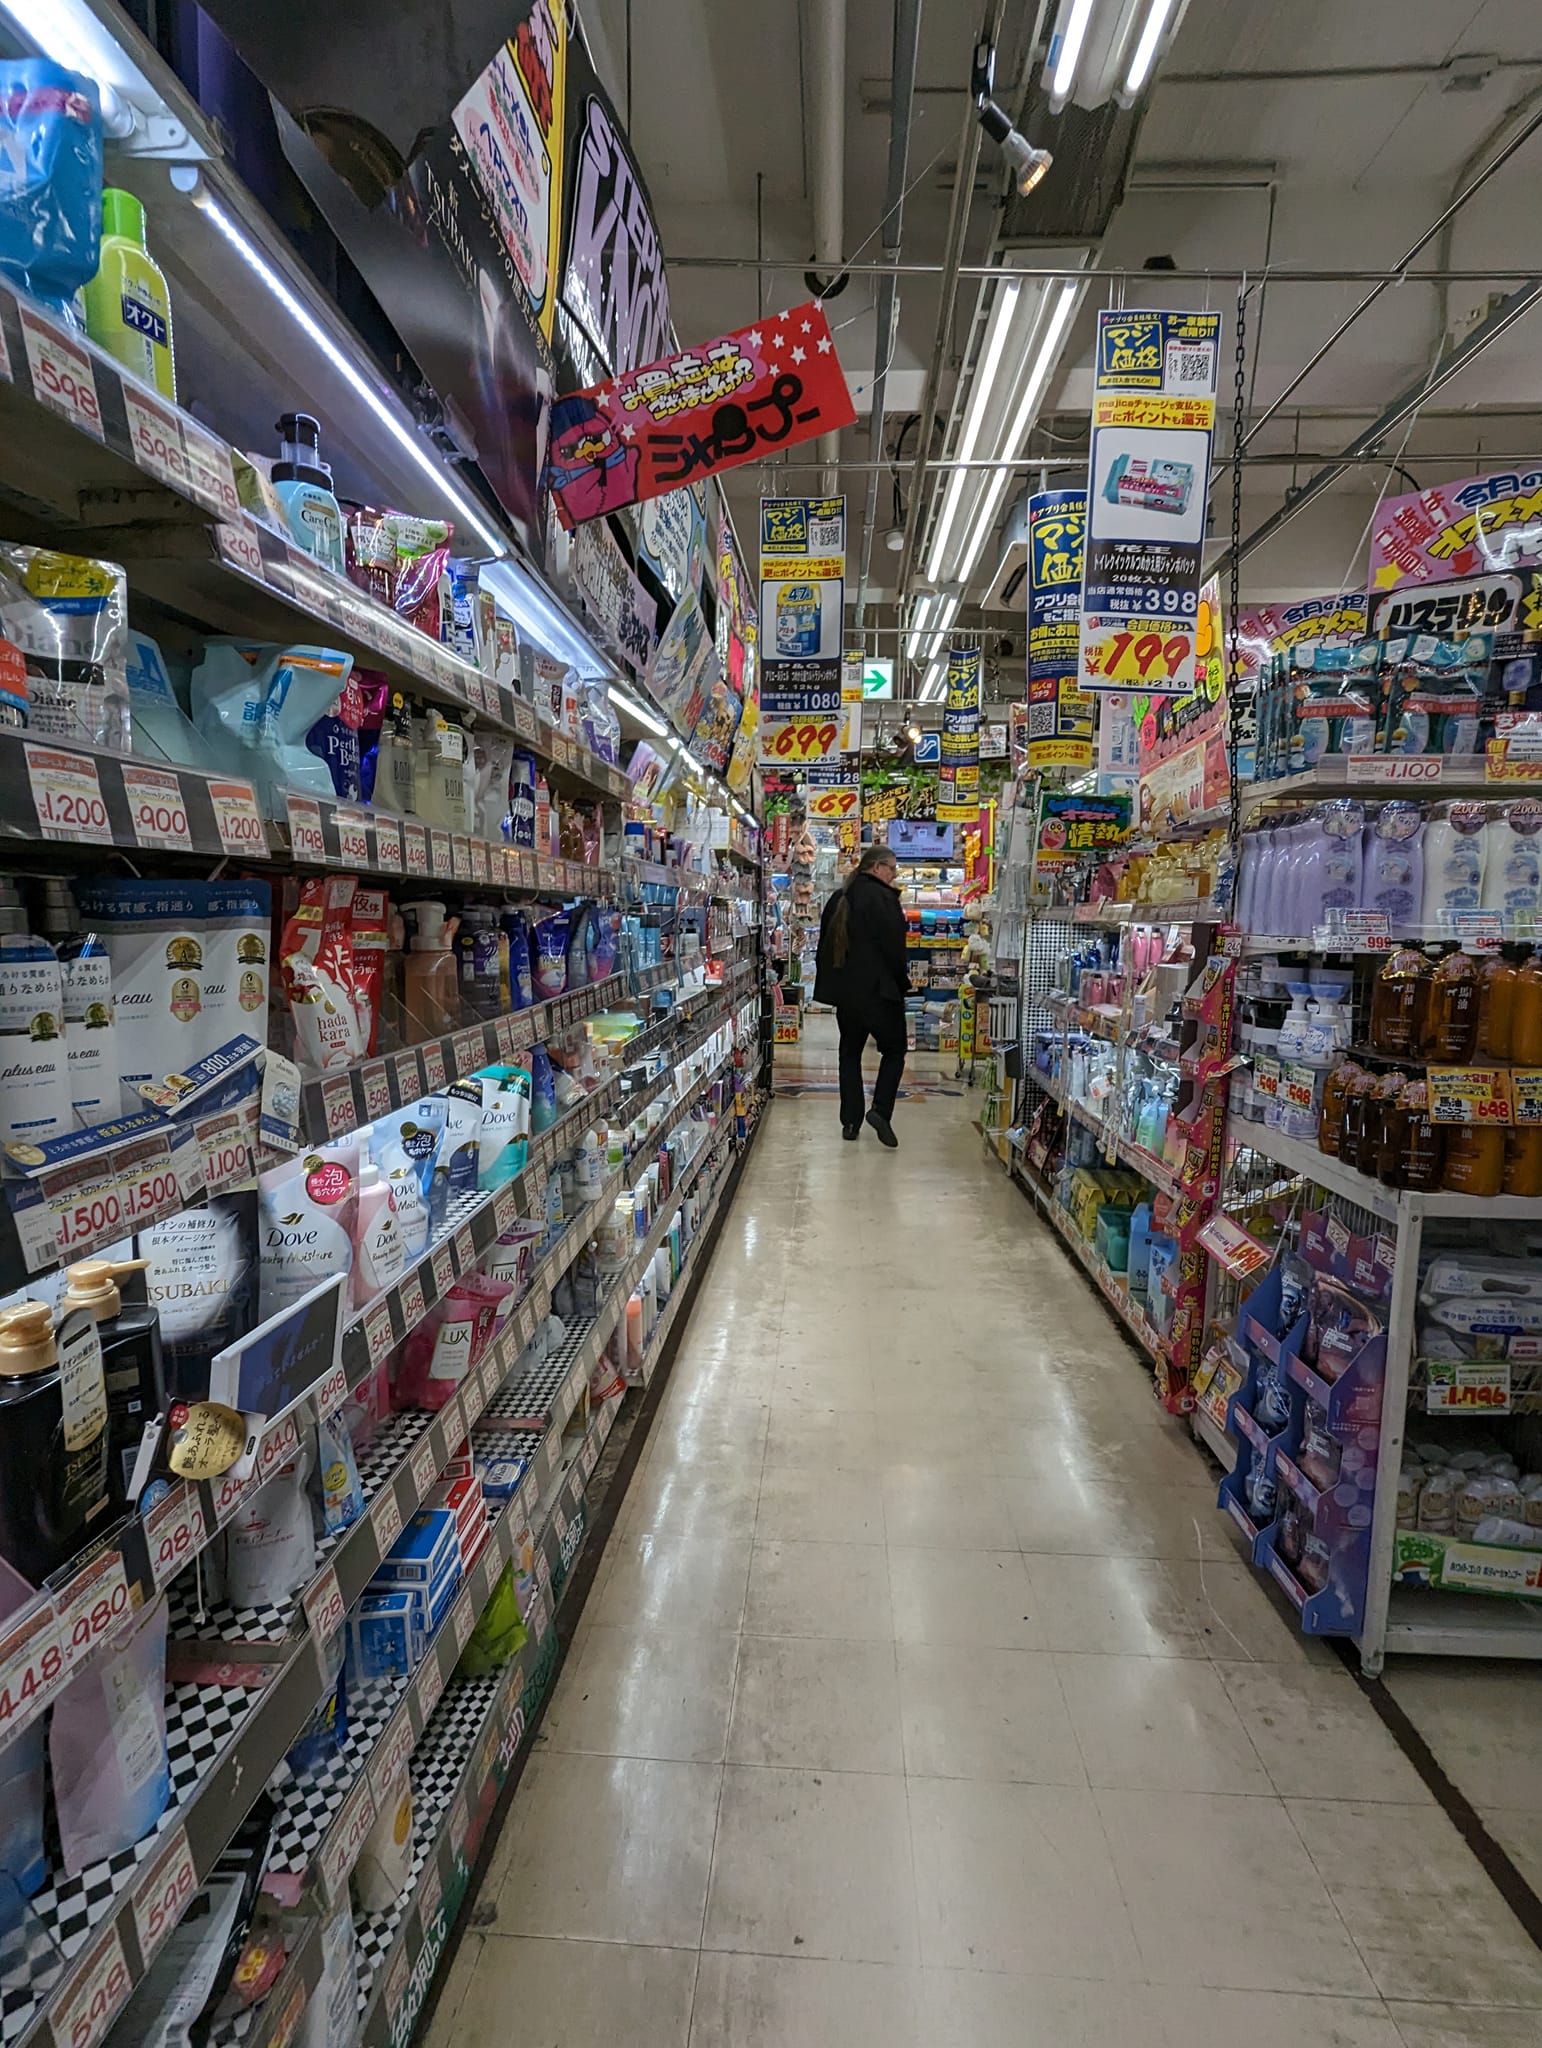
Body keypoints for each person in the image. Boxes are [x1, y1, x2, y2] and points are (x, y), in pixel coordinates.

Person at [813, 842, 909, 1147]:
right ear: (877, 867)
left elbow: (824, 947)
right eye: (892, 869)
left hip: (848, 996)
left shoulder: (840, 897)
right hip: (881, 993)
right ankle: (880, 1110)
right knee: (894, 1051)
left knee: (849, 1054)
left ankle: (851, 1121)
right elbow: (895, 951)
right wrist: (902, 983)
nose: (894, 875)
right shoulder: (884, 900)